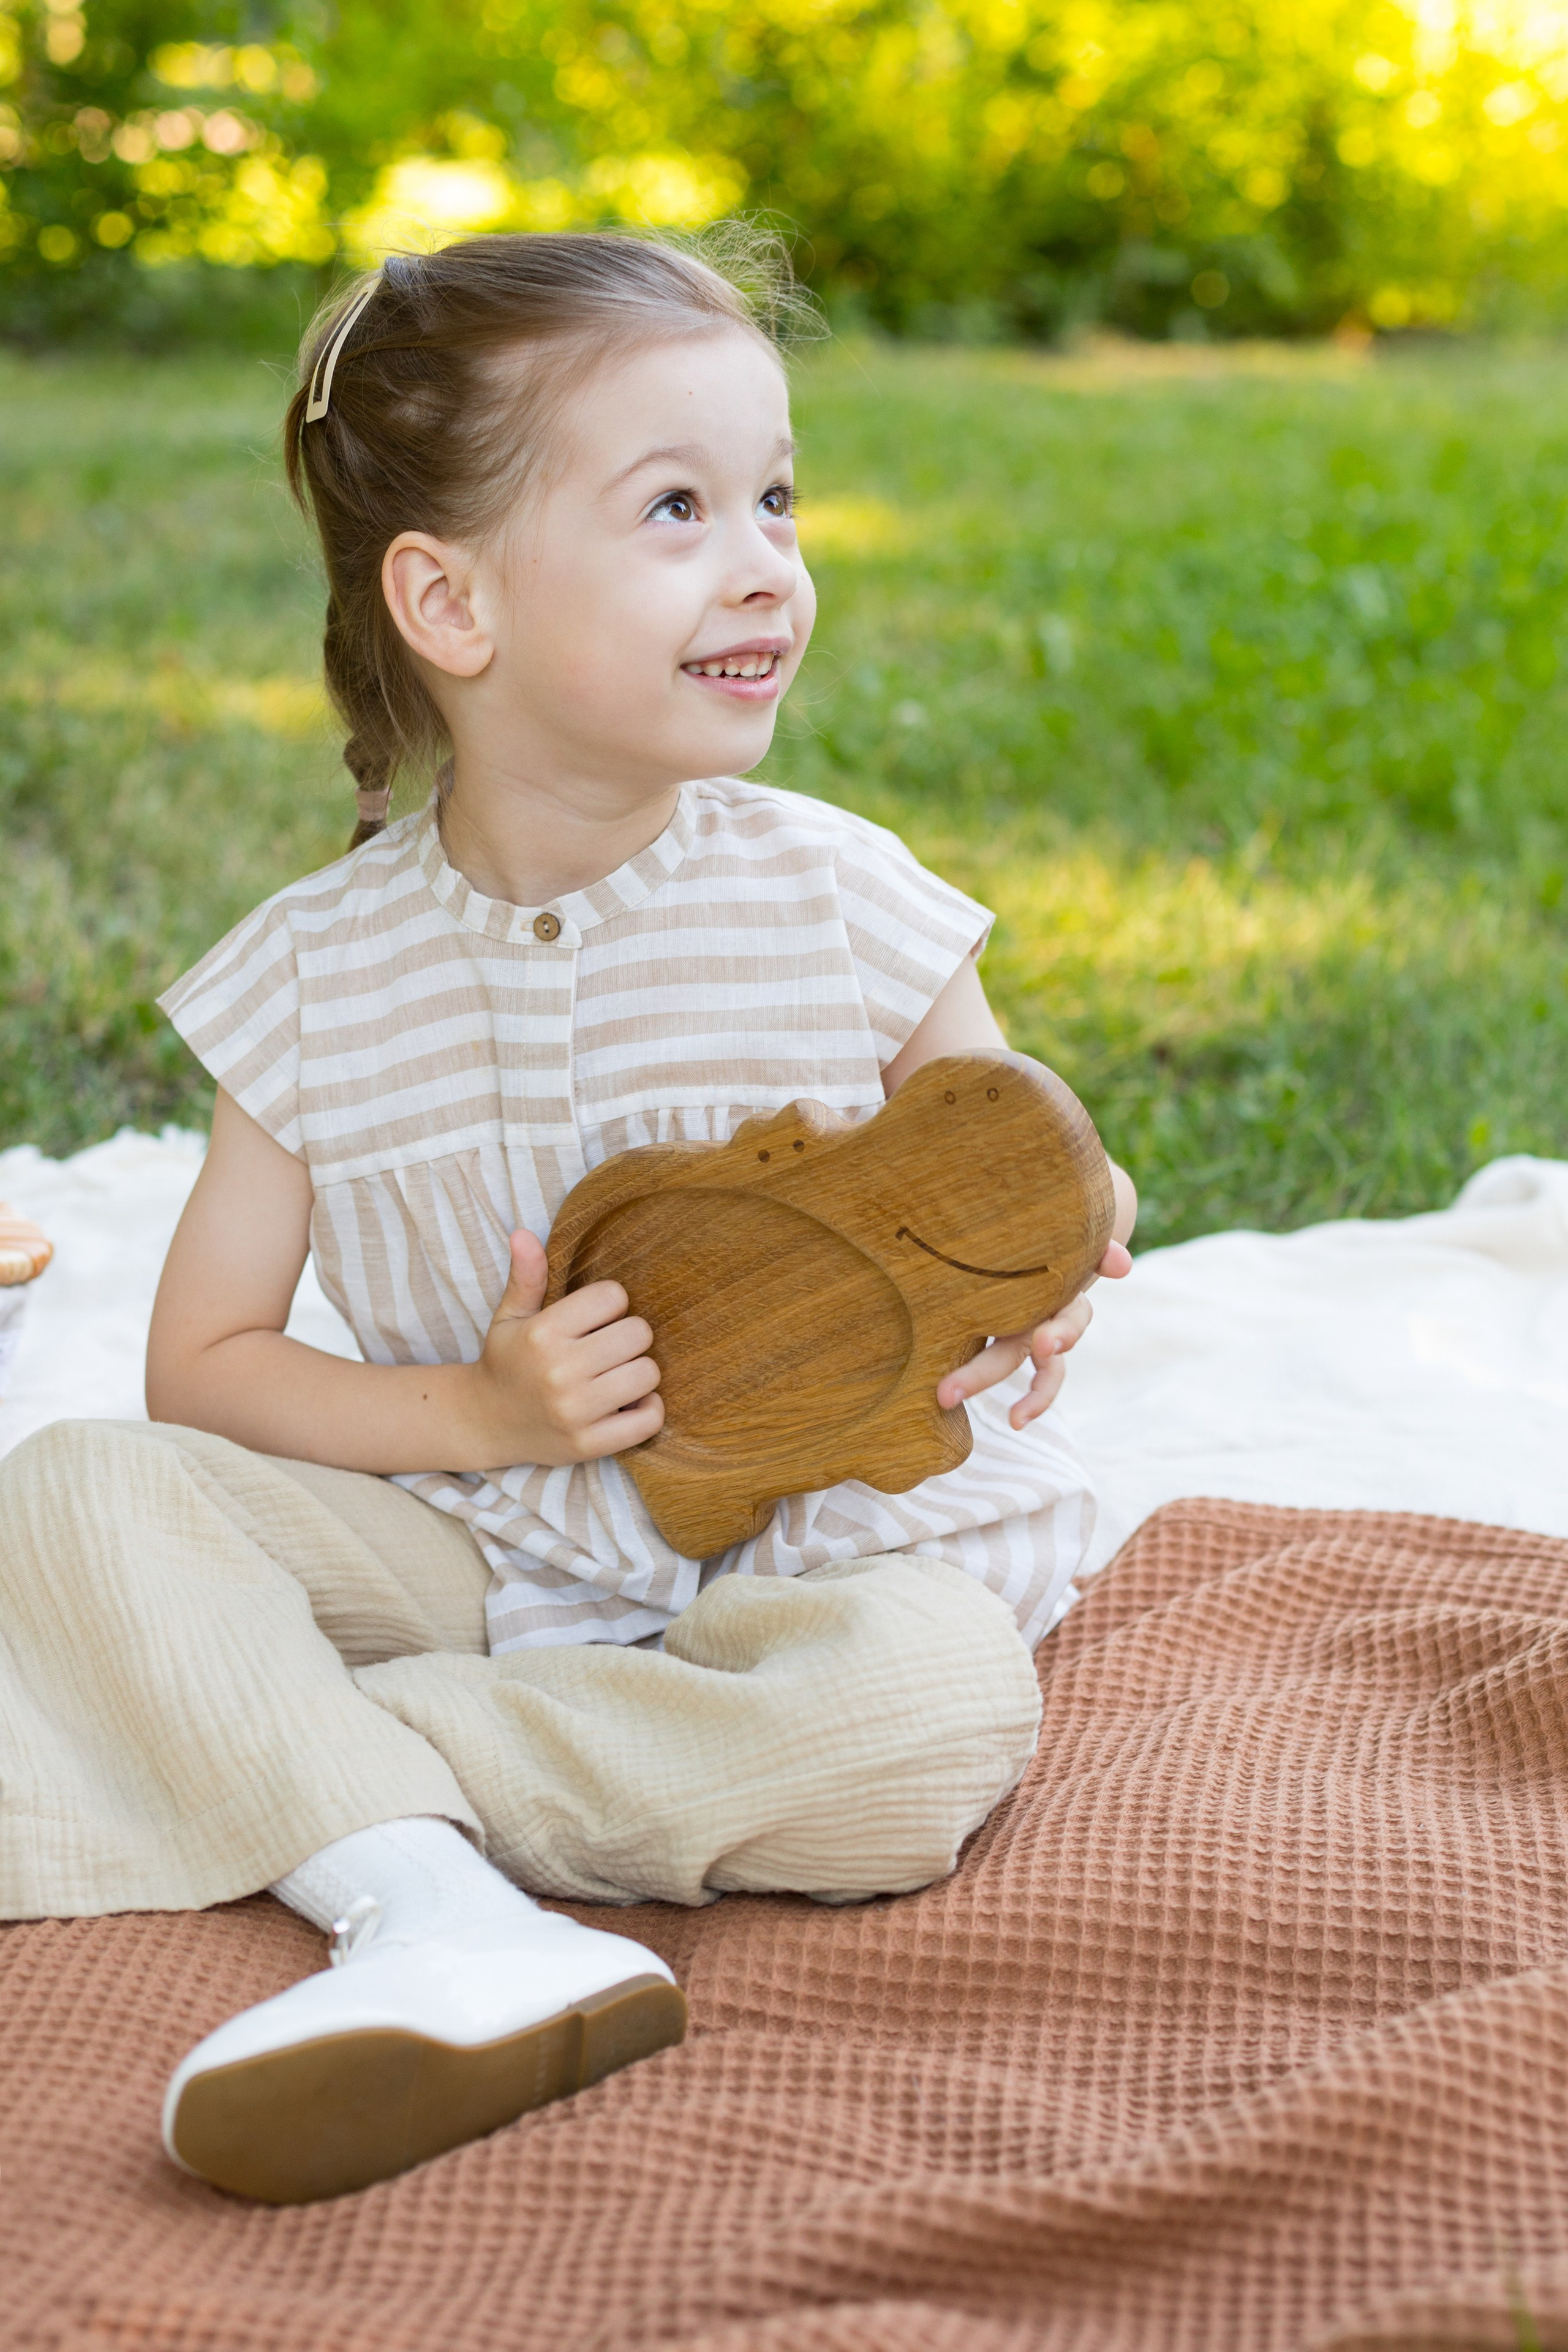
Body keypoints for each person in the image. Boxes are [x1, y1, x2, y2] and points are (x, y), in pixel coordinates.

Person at [0, 230, 1136, 2206]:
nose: (767, 558)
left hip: (810, 1555)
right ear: (448, 599)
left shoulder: (842, 896)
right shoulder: (312, 980)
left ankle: (327, 1782)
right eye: (678, 508)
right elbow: (205, 1368)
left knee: (923, 1727)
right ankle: (445, 1913)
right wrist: (490, 1418)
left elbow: (1025, 1164)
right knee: (83, 1488)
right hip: (476, 1533)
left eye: (777, 496)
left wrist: (1057, 1267)